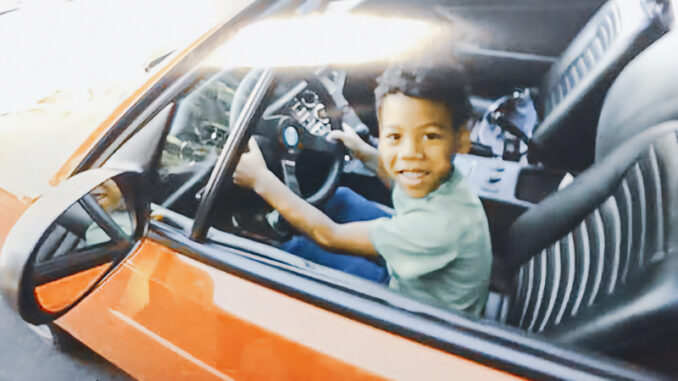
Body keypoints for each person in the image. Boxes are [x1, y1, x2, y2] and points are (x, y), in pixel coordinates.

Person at [234, 63, 492, 315]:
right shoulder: (441, 180)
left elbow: (330, 236)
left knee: (293, 249)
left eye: (430, 136)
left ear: (462, 140)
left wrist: (261, 181)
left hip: (411, 307)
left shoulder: (436, 227)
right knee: (340, 199)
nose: (410, 154)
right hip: (422, 269)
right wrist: (365, 153)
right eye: (395, 137)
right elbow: (401, 179)